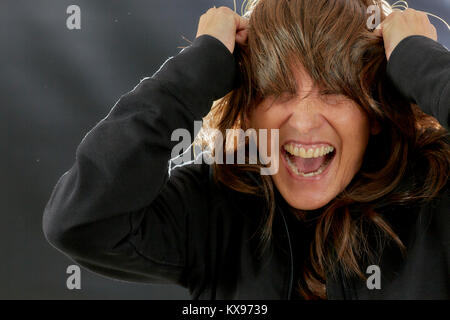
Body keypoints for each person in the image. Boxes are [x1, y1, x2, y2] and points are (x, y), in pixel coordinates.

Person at [42, 0, 450, 299]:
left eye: (336, 93)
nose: (304, 122)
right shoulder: (215, 205)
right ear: (248, 112)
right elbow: (80, 222)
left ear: (374, 113)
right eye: (276, 91)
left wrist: (417, 58)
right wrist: (196, 71)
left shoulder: (436, 197)